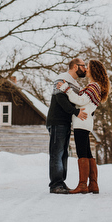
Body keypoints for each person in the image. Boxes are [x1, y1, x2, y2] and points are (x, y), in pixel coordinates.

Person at [57, 59, 110, 194]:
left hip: (82, 121)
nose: (86, 69)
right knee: (87, 153)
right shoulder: (95, 86)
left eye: (88, 67)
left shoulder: (93, 86)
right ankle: (93, 184)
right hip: (85, 122)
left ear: (93, 70)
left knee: (82, 153)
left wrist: (66, 89)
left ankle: (82, 185)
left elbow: (80, 100)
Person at [46, 58, 88, 194]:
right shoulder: (61, 79)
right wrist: (75, 112)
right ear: (76, 67)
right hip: (57, 120)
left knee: (63, 153)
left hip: (65, 122)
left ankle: (61, 182)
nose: (86, 68)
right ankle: (55, 185)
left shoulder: (74, 84)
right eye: (83, 66)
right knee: (56, 153)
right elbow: (60, 98)